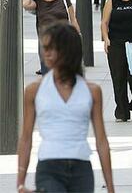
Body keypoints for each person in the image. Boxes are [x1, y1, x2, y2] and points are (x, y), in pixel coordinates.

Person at [16, 22, 114, 193]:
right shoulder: (34, 90)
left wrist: (111, 188)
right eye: (44, 47)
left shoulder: (92, 91)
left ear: (67, 51)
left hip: (81, 168)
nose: (45, 53)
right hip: (49, 166)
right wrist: (20, 182)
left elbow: (101, 141)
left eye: (51, 48)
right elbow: (25, 138)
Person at [23, 0, 81, 75]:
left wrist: (77, 38)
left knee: (63, 77)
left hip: (63, 43)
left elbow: (73, 20)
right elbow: (25, 4)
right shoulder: (39, 3)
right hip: (46, 46)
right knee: (48, 77)